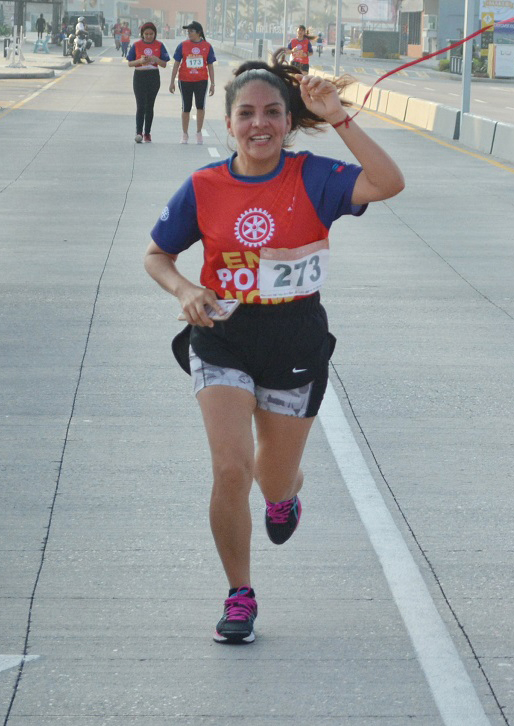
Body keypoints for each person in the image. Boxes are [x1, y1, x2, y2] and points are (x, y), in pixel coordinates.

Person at [143, 61, 405, 644]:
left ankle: (285, 495)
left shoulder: (315, 177)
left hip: (295, 337)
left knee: (271, 478)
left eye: (271, 113)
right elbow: (157, 256)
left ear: (289, 121)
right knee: (231, 468)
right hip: (223, 336)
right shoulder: (205, 186)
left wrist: (341, 119)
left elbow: (389, 182)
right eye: (246, 114)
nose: (258, 124)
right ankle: (240, 593)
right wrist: (186, 290)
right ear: (229, 122)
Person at [169, 20, 217, 144]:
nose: (189, 33)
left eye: (191, 31)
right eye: (188, 31)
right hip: (185, 80)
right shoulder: (183, 45)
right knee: (186, 107)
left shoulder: (207, 46)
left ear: (199, 32)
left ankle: (198, 132)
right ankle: (184, 134)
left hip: (201, 80)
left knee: (200, 106)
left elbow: (210, 65)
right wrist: (172, 81)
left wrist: (212, 83)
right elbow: (176, 63)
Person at [126, 22, 170, 143]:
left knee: (150, 106)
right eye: (146, 34)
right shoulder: (136, 45)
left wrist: (156, 59)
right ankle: (139, 132)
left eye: (151, 34)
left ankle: (147, 133)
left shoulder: (159, 45)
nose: (149, 36)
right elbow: (130, 63)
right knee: (140, 105)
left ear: (155, 34)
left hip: (153, 76)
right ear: (142, 34)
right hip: (139, 76)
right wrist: (140, 61)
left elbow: (165, 64)